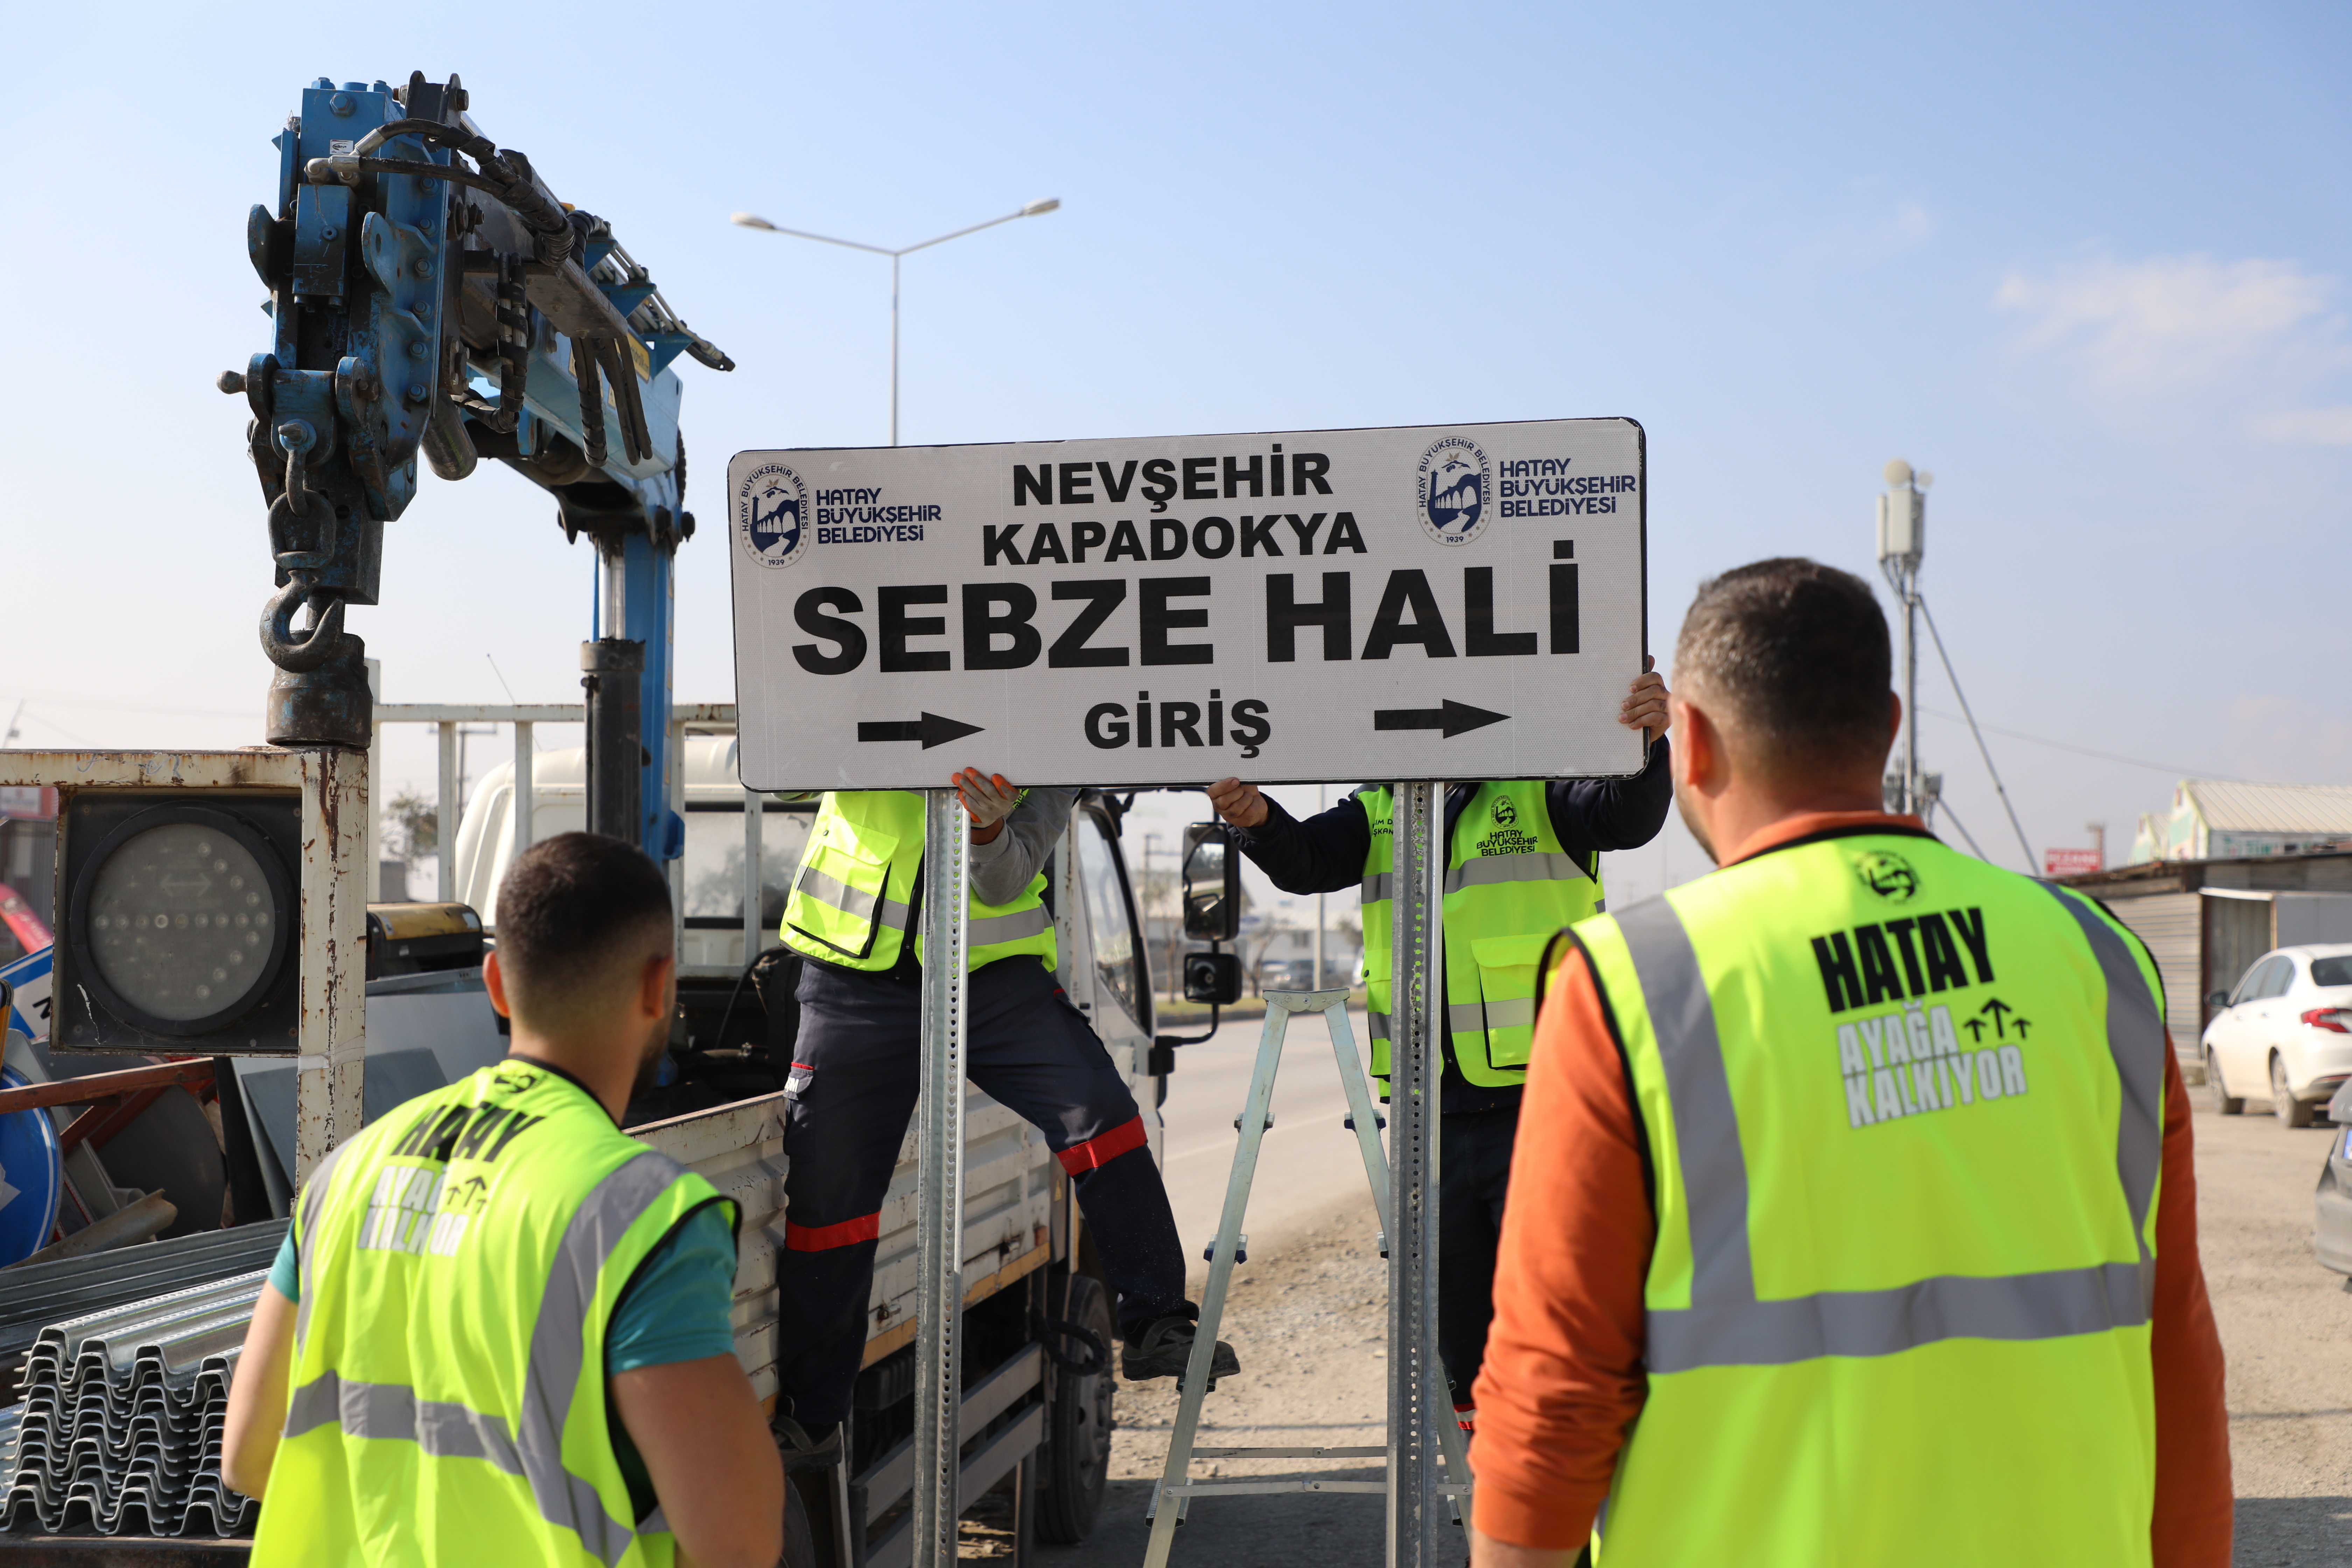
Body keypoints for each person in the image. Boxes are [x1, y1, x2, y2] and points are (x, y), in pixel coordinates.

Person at [1469, 558, 2232, 1566]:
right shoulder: (2102, 966)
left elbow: (1553, 1394)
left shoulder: (1639, 985)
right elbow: (2176, 1352)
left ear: (1688, 740)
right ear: (1890, 724)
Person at [221, 832, 783, 1568]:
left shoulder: (348, 1172)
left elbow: (249, 1458)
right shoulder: (639, 1213)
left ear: (494, 982)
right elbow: (736, 1542)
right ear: (658, 987)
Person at [1204, 666, 1672, 1429]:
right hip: (1433, 1118)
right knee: (1464, 1343)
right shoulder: (1385, 801)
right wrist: (1257, 818)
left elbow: (1626, 816)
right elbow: (1309, 861)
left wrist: (1650, 748)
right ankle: (1490, 1518)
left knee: (1563, 1326)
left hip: (1544, 1108)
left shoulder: (1543, 782)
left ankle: (1580, 1528)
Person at [768, 772, 1233, 1458]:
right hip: (853, 972)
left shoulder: (1051, 729)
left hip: (992, 979)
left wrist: (986, 827)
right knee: (829, 1198)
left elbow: (1005, 878)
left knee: (1100, 1113)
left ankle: (1156, 1321)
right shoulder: (867, 682)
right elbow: (783, 777)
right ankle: (813, 1418)